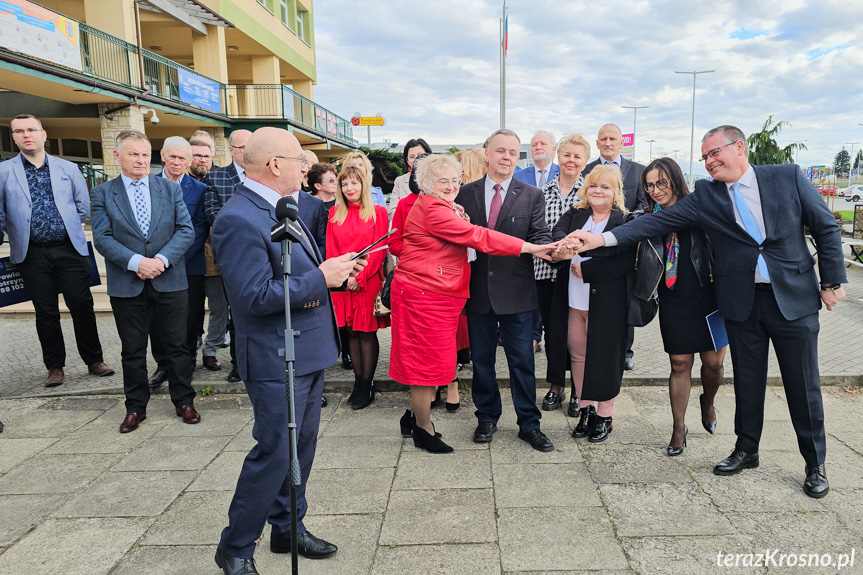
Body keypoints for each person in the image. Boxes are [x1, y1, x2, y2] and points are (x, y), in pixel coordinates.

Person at [569, 125, 846, 498]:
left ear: (740, 148)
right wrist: (601, 238)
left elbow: (826, 226)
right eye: (705, 157)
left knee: (803, 384)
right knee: (748, 382)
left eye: (716, 153)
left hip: (792, 299)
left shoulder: (786, 176)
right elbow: (655, 221)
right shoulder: (706, 195)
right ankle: (747, 450)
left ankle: (815, 464)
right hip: (740, 302)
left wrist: (830, 281)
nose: (710, 162)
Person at [212, 128, 363, 574]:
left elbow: (295, 274)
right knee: (276, 451)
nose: (308, 167)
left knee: (302, 447)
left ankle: (287, 528)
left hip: (308, 349)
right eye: (299, 159)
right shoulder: (239, 217)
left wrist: (331, 274)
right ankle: (236, 546)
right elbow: (254, 297)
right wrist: (323, 277)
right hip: (276, 354)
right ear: (275, 165)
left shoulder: (281, 205)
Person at [390, 154, 556, 452]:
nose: (452, 186)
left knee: (431, 362)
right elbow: (476, 235)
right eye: (444, 181)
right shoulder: (434, 209)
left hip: (438, 295)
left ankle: (416, 418)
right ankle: (423, 428)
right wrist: (529, 247)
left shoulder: (444, 205)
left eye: (455, 180)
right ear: (427, 183)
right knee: (425, 365)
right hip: (425, 295)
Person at [90, 129, 199, 433]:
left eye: (144, 154)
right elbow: (102, 238)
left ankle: (184, 401)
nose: (140, 160)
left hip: (170, 280)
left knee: (178, 346)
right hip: (128, 284)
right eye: (132, 154)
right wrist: (137, 263)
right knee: (132, 350)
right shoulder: (102, 193)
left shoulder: (169, 189)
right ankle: (136, 407)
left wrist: (160, 261)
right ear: (117, 156)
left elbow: (185, 231)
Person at [456, 129, 555, 452]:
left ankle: (529, 423)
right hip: (478, 292)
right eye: (501, 151)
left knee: (522, 362)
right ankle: (487, 417)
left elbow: (539, 235)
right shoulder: (464, 194)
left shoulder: (531, 195)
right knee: (482, 362)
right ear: (487, 153)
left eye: (513, 152)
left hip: (518, 294)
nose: (507, 157)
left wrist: (550, 249)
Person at [0, 114, 114, 387]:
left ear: (43, 134)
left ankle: (94, 360)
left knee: (82, 304)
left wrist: (62, 225)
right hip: (31, 253)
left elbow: (82, 204)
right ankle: (55, 367)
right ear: (13, 137)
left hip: (69, 249)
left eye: (31, 129)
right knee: (46, 312)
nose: (26, 134)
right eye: (19, 131)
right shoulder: (3, 171)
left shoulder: (68, 167)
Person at [547, 165, 635, 443]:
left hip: (607, 305)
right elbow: (558, 234)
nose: (598, 191)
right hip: (573, 301)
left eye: (605, 187)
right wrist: (562, 248)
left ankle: (605, 416)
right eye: (594, 185)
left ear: (616, 192)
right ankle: (585, 410)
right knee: (579, 356)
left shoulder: (623, 220)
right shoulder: (576, 214)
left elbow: (625, 261)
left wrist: (589, 271)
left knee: (606, 359)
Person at [583, 123, 647, 371]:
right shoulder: (586, 171)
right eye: (603, 139)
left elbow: (642, 207)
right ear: (597, 144)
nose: (608, 143)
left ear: (622, 143)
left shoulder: (637, 171)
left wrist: (624, 228)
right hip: (590, 244)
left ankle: (625, 352)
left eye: (613, 139)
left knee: (623, 300)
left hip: (623, 246)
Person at [326, 164, 390, 410]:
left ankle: (367, 384)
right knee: (351, 332)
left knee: (366, 332)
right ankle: (357, 382)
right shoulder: (334, 213)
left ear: (364, 185)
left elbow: (378, 250)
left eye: (354, 183)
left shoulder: (377, 212)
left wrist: (359, 278)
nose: (349, 188)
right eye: (344, 184)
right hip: (342, 283)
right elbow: (331, 249)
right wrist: (343, 278)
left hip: (367, 281)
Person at [147, 137, 210, 379]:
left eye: (182, 158)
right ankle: (162, 365)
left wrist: (169, 257)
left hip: (188, 265)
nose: (176, 162)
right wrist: (155, 260)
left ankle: (186, 363)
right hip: (152, 265)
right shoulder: (147, 185)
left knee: (189, 318)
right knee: (156, 318)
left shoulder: (200, 190)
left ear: (189, 160)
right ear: (162, 155)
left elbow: (199, 229)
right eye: (172, 156)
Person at [538, 133, 591, 413]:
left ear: (585, 161)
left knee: (576, 335)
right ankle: (555, 385)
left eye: (577, 156)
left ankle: (576, 390)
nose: (571, 160)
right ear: (558, 155)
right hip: (544, 273)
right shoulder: (542, 193)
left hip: (577, 275)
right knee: (553, 332)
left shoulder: (589, 193)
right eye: (567, 154)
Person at [203, 129, 252, 384]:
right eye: (242, 147)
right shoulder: (217, 177)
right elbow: (212, 212)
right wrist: (242, 228)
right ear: (231, 149)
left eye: (250, 147)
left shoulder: (261, 174)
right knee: (235, 314)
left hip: (261, 254)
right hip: (232, 255)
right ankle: (238, 364)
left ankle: (259, 361)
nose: (247, 152)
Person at [308, 162, 351, 371]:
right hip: (314, 266)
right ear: (317, 185)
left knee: (341, 311)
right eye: (331, 180)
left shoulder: (340, 205)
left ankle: (346, 351)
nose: (336, 183)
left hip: (336, 263)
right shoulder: (307, 205)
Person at [389, 138, 432, 217]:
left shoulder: (437, 179)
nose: (417, 159)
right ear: (407, 160)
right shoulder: (400, 181)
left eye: (420, 155)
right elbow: (392, 211)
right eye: (412, 156)